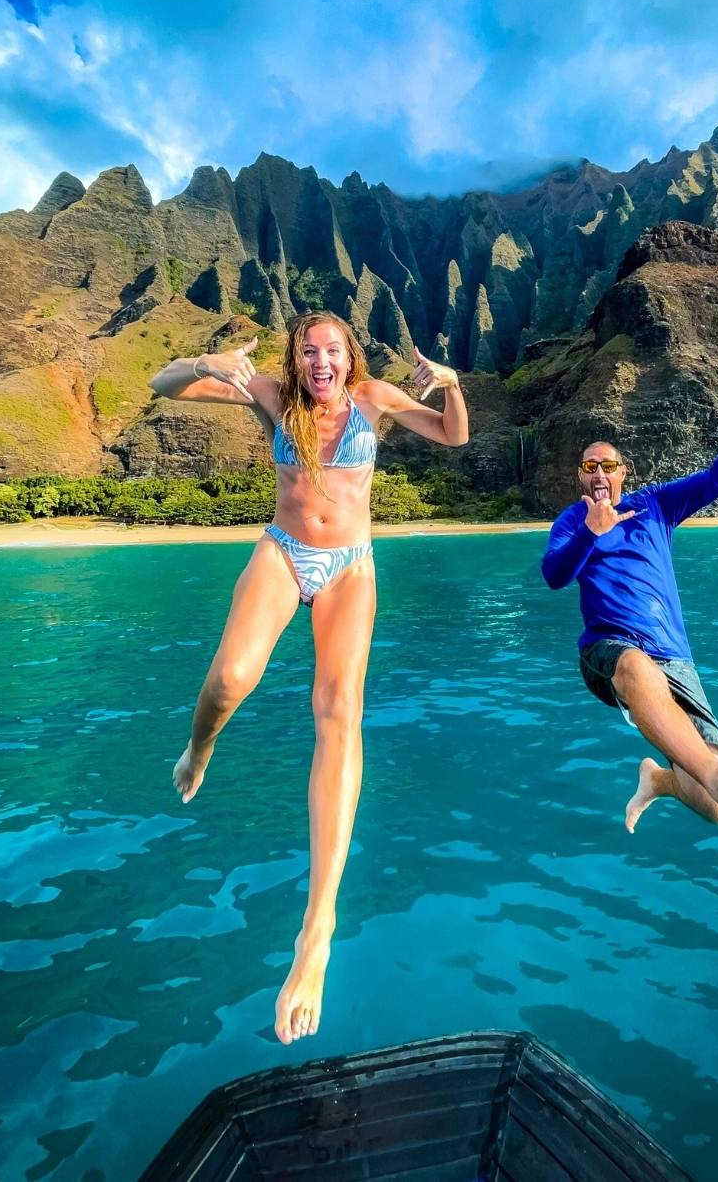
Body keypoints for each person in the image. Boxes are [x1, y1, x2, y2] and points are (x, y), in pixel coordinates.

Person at [150, 312, 468, 1043]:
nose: (320, 360)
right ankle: (199, 748)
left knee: (339, 712)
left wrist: (449, 385)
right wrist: (208, 358)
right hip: (285, 548)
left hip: (351, 566)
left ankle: (316, 930)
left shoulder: (376, 399)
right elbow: (163, 385)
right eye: (308, 349)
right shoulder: (269, 394)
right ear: (296, 358)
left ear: (348, 356)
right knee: (231, 677)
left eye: (332, 350)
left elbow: (453, 434)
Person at [541, 384, 718, 834]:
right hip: (609, 649)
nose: (599, 473)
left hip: (676, 660)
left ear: (623, 472)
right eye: (589, 467)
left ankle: (661, 780)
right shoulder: (571, 521)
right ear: (580, 476)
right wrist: (590, 533)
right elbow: (555, 575)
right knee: (637, 668)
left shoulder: (655, 504)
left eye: (608, 465)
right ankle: (717, 772)